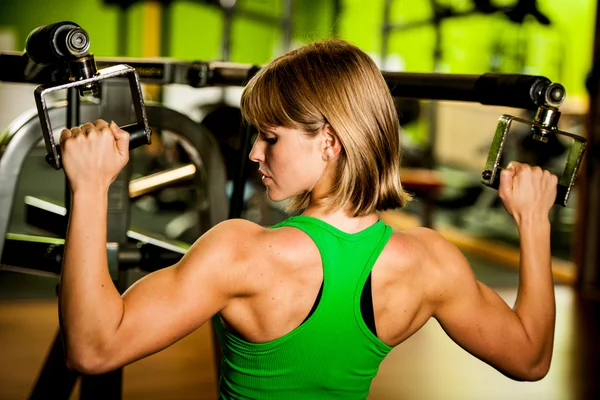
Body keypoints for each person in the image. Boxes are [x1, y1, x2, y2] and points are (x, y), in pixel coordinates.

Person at [58, 39, 558, 399]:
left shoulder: (241, 253)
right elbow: (531, 359)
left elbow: (94, 348)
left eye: (270, 137)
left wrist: (91, 186)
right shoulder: (431, 264)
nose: (253, 152)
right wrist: (534, 222)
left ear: (330, 142)